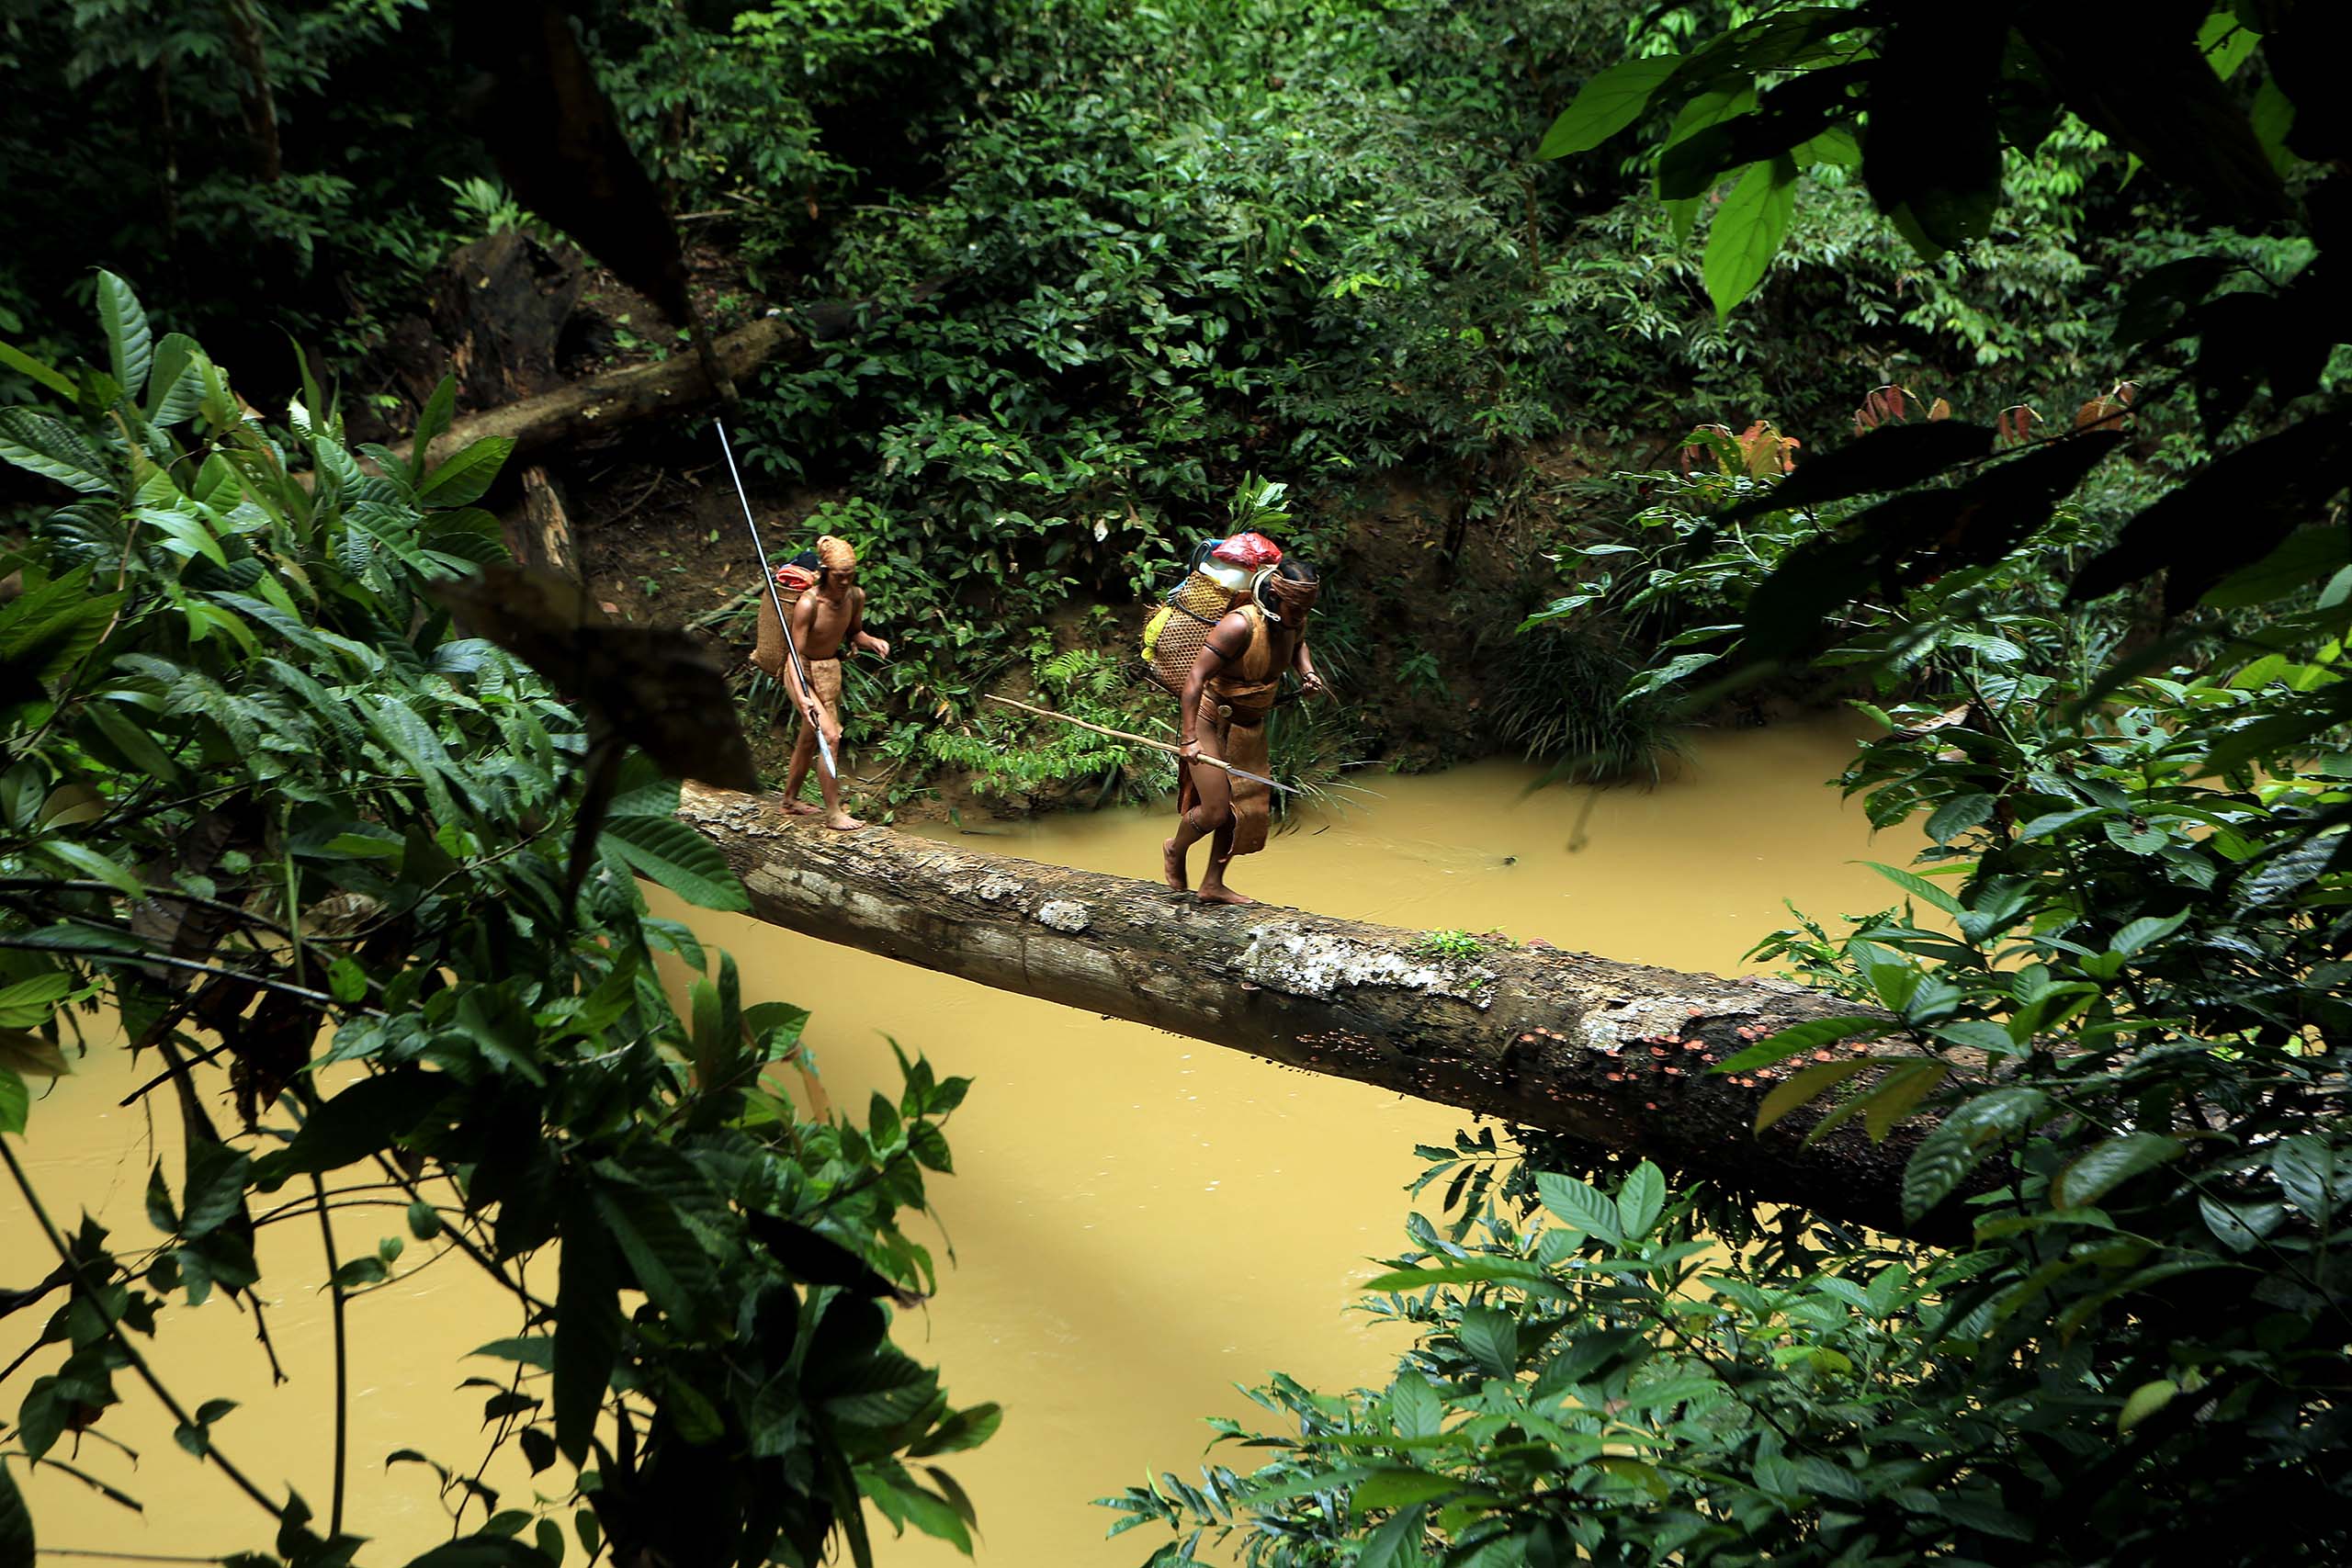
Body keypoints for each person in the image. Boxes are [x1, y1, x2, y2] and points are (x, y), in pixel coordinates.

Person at [1163, 559, 1325, 904]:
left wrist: (1307, 673)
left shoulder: (1295, 620)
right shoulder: (1239, 625)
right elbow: (1195, 679)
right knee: (1216, 810)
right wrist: (1189, 737)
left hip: (1248, 725)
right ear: (1276, 596)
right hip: (1211, 719)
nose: (1300, 615)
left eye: (1306, 609)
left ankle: (1212, 884)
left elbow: (1298, 646)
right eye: (1295, 607)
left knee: (1243, 810)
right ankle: (1175, 849)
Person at [754, 534, 889, 829]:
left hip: (827, 671)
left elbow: (855, 632)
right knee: (830, 736)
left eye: (849, 576)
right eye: (839, 576)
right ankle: (834, 813)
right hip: (798, 670)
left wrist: (872, 641)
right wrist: (802, 693)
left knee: (807, 739)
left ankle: (789, 801)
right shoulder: (808, 603)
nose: (844, 582)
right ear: (826, 573)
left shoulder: (856, 596)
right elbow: (792, 653)